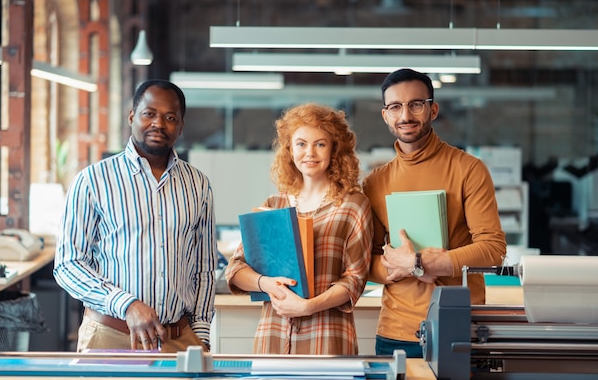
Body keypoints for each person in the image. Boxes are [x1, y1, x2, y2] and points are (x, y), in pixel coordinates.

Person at [54, 79, 217, 353]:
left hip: (180, 340)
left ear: (181, 126)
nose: (159, 123)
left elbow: (203, 269)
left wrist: (200, 334)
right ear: (132, 116)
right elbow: (68, 265)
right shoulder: (93, 180)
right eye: (149, 113)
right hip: (111, 337)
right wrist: (126, 303)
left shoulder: (198, 184)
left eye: (170, 117)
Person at [362, 68, 507, 357]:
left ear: (433, 109)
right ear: (386, 115)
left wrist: (421, 263)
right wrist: (397, 267)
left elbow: (493, 249)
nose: (405, 115)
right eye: (395, 107)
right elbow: (367, 262)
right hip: (396, 332)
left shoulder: (469, 169)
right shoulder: (374, 183)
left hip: (458, 326)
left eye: (416, 104)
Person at [225, 103, 373, 355]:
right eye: (301, 143)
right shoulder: (273, 206)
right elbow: (236, 270)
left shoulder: (354, 205)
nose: (310, 153)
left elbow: (355, 279)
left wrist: (307, 307)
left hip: (327, 338)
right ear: (290, 150)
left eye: (320, 144)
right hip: (273, 336)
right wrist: (266, 284)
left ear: (334, 149)